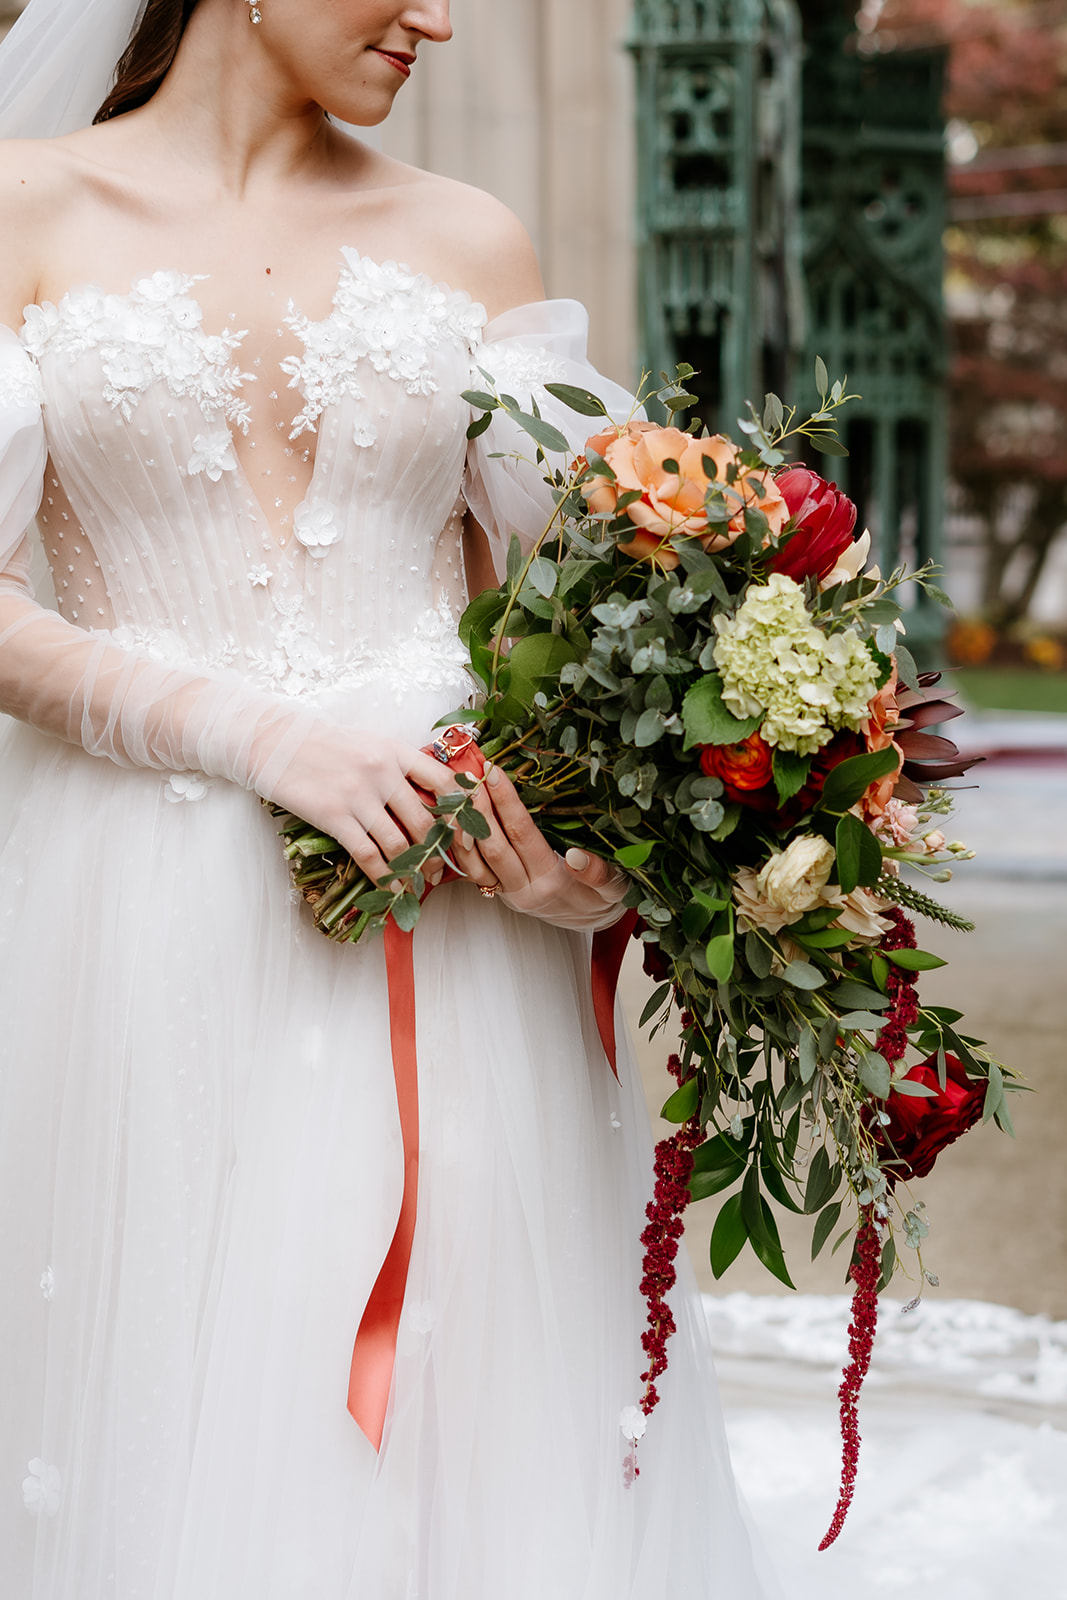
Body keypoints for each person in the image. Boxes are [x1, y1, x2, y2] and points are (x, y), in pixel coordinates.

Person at [0, 1, 773, 1594]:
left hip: (461, 931)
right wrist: (251, 734)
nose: (436, 18)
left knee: (472, 1405)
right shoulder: (23, 209)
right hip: (128, 918)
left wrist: (599, 864)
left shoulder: (467, 236)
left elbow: (611, 615)